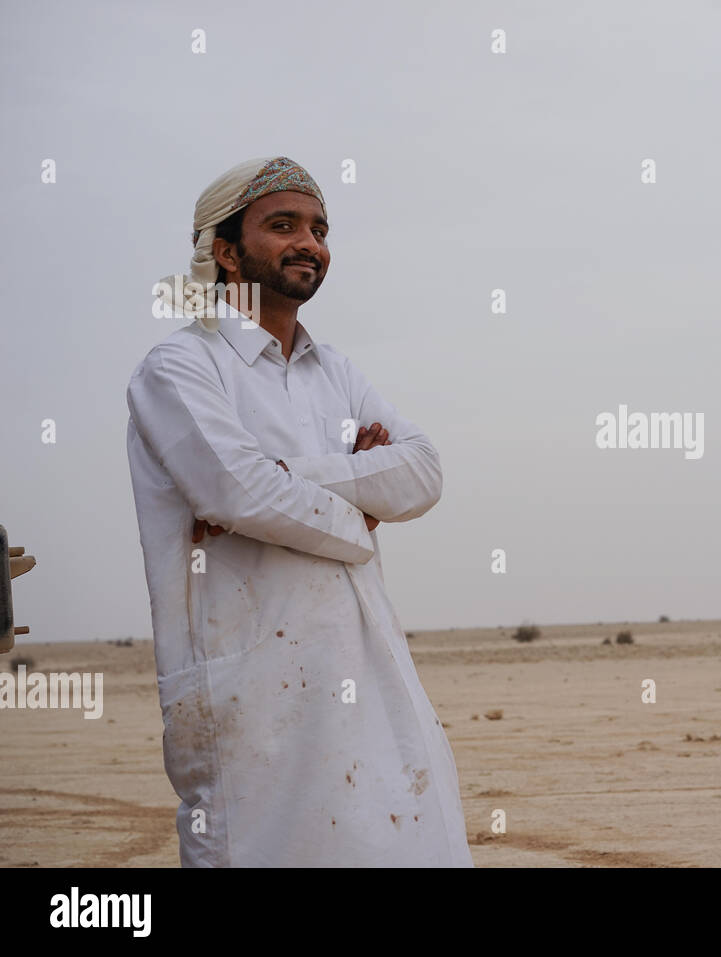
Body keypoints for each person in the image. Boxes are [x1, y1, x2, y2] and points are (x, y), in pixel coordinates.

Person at [126, 156, 472, 866]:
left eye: (318, 228)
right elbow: (235, 492)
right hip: (250, 691)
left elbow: (423, 471)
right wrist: (360, 515)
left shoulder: (335, 370)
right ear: (223, 251)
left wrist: (298, 478)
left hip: (367, 664)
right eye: (282, 225)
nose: (309, 243)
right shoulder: (179, 368)